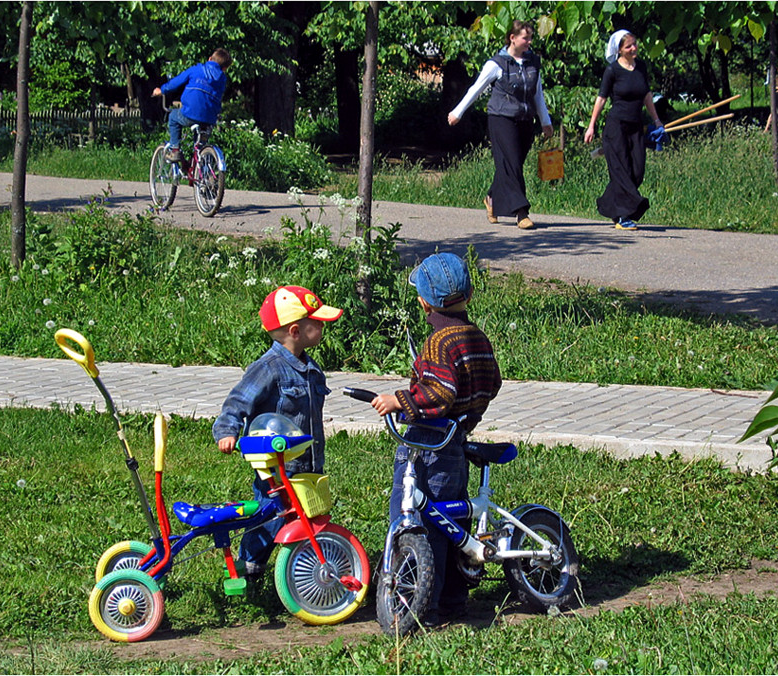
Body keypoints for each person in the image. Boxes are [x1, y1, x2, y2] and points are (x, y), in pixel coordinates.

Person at [370, 252, 503, 627]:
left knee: (415, 520)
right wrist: (469, 413)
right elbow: (492, 383)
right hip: (457, 441)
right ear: (470, 294)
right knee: (452, 524)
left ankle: (415, 606)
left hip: (427, 446)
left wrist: (402, 400)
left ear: (423, 301)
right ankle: (451, 602)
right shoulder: (476, 337)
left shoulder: (438, 343)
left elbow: (440, 392)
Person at [212, 285, 342, 590]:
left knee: (310, 515)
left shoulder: (312, 370)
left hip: (308, 464)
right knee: (268, 520)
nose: (323, 327)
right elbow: (237, 401)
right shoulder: (267, 369)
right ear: (296, 330)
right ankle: (249, 569)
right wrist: (227, 431)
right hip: (275, 467)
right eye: (318, 323)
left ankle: (306, 568)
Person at [448, 20, 554, 230]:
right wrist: (457, 112)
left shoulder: (533, 62)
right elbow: (475, 90)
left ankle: (491, 198)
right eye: (525, 38)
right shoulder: (496, 63)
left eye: (530, 38)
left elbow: (538, 94)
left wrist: (546, 122)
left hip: (525, 120)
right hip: (501, 119)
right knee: (512, 164)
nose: (529, 42)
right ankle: (521, 212)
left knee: (511, 165)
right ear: (512, 38)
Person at [583, 30, 664, 231]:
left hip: (636, 126)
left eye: (635, 44)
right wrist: (591, 125)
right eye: (628, 46)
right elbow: (601, 98)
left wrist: (657, 120)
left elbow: (647, 95)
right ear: (619, 50)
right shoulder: (612, 71)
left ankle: (608, 204)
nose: (633, 48)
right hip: (616, 127)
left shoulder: (641, 67)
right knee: (621, 171)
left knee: (637, 171)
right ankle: (622, 215)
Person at [153, 48, 232, 163]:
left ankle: (175, 150)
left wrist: (162, 90)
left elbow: (175, 82)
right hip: (209, 118)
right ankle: (199, 167)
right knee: (199, 146)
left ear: (209, 59)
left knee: (173, 117)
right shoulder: (222, 79)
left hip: (190, 113)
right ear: (224, 69)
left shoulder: (196, 69)